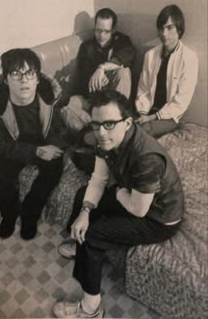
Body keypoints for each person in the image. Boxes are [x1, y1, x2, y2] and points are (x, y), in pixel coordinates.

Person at [53, 90, 184, 318]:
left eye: (110, 124)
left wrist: (120, 192)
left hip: (158, 217)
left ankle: (90, 308)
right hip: (133, 195)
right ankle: (81, 245)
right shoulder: (104, 140)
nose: (102, 133)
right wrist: (85, 211)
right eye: (96, 125)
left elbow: (138, 210)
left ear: (128, 122)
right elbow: (99, 179)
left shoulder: (147, 158)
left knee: (93, 236)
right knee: (85, 195)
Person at [0, 48, 70, 240]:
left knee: (55, 167)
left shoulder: (49, 95)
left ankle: (30, 214)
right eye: (16, 74)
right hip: (11, 147)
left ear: (37, 78)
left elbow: (59, 129)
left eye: (30, 73)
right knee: (0, 178)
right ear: (6, 80)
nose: (24, 80)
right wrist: (35, 151)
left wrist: (52, 146)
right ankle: (9, 215)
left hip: (41, 142)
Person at [64, 7, 136, 131]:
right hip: (92, 99)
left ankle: (110, 123)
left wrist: (101, 68)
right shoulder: (87, 47)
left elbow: (127, 56)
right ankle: (96, 129)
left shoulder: (122, 40)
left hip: (114, 100)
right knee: (67, 105)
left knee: (124, 72)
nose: (101, 35)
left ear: (113, 30)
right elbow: (85, 81)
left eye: (106, 31)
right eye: (98, 30)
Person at [135, 4, 198, 138]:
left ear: (179, 30)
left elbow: (181, 102)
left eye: (170, 28)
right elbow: (143, 89)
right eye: (161, 29)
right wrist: (143, 113)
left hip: (170, 116)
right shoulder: (150, 55)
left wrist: (152, 117)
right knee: (124, 124)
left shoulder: (189, 58)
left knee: (141, 132)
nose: (164, 34)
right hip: (147, 111)